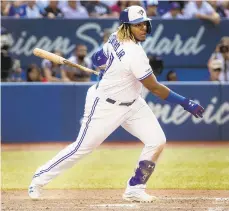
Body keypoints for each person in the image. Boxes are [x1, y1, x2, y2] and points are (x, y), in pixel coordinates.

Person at [28, 5, 204, 202]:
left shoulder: (115, 37)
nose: (143, 28)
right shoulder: (134, 54)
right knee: (81, 148)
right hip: (105, 105)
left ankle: (135, 188)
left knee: (157, 140)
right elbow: (154, 88)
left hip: (133, 104)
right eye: (137, 25)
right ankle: (38, 179)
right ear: (127, 27)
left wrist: (109, 68)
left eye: (144, 24)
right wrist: (185, 102)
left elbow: (96, 59)